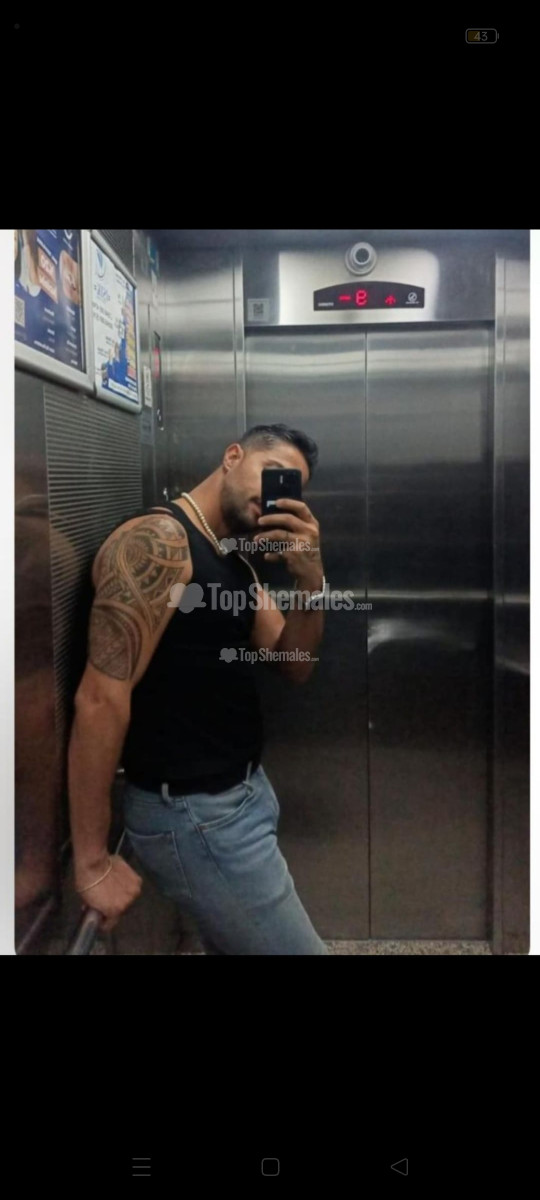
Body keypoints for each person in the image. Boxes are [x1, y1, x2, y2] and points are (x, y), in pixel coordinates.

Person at [68, 424, 329, 954]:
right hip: (195, 814)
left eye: (290, 487)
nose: (274, 495)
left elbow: (294, 664)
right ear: (232, 456)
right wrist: (91, 861)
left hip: (239, 798)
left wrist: (310, 581)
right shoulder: (160, 541)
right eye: (271, 473)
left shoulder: (234, 561)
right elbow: (100, 700)